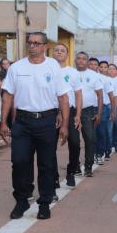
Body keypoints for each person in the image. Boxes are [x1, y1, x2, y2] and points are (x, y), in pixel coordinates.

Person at [1, 32, 71, 220]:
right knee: (19, 161)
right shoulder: (16, 68)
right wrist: (3, 122)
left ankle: (44, 203)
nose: (33, 46)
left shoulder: (53, 66)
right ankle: (22, 200)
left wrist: (64, 124)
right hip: (22, 122)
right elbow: (8, 95)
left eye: (37, 43)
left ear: (45, 46)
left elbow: (63, 97)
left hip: (47, 121)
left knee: (46, 164)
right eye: (30, 43)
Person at [51, 43, 82, 188]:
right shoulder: (48, 70)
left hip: (69, 112)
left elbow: (78, 94)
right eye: (56, 50)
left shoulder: (73, 72)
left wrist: (78, 115)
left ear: (67, 54)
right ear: (52, 53)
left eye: (62, 50)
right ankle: (54, 177)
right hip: (50, 112)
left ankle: (71, 171)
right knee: (49, 147)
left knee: (75, 144)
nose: (59, 52)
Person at [72, 52, 103, 177]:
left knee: (90, 138)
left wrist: (99, 113)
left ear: (87, 61)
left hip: (87, 111)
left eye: (84, 59)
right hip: (72, 110)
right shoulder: (70, 73)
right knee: (74, 141)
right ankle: (75, 166)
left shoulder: (94, 76)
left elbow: (100, 95)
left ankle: (88, 166)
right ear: (75, 60)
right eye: (78, 58)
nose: (81, 61)